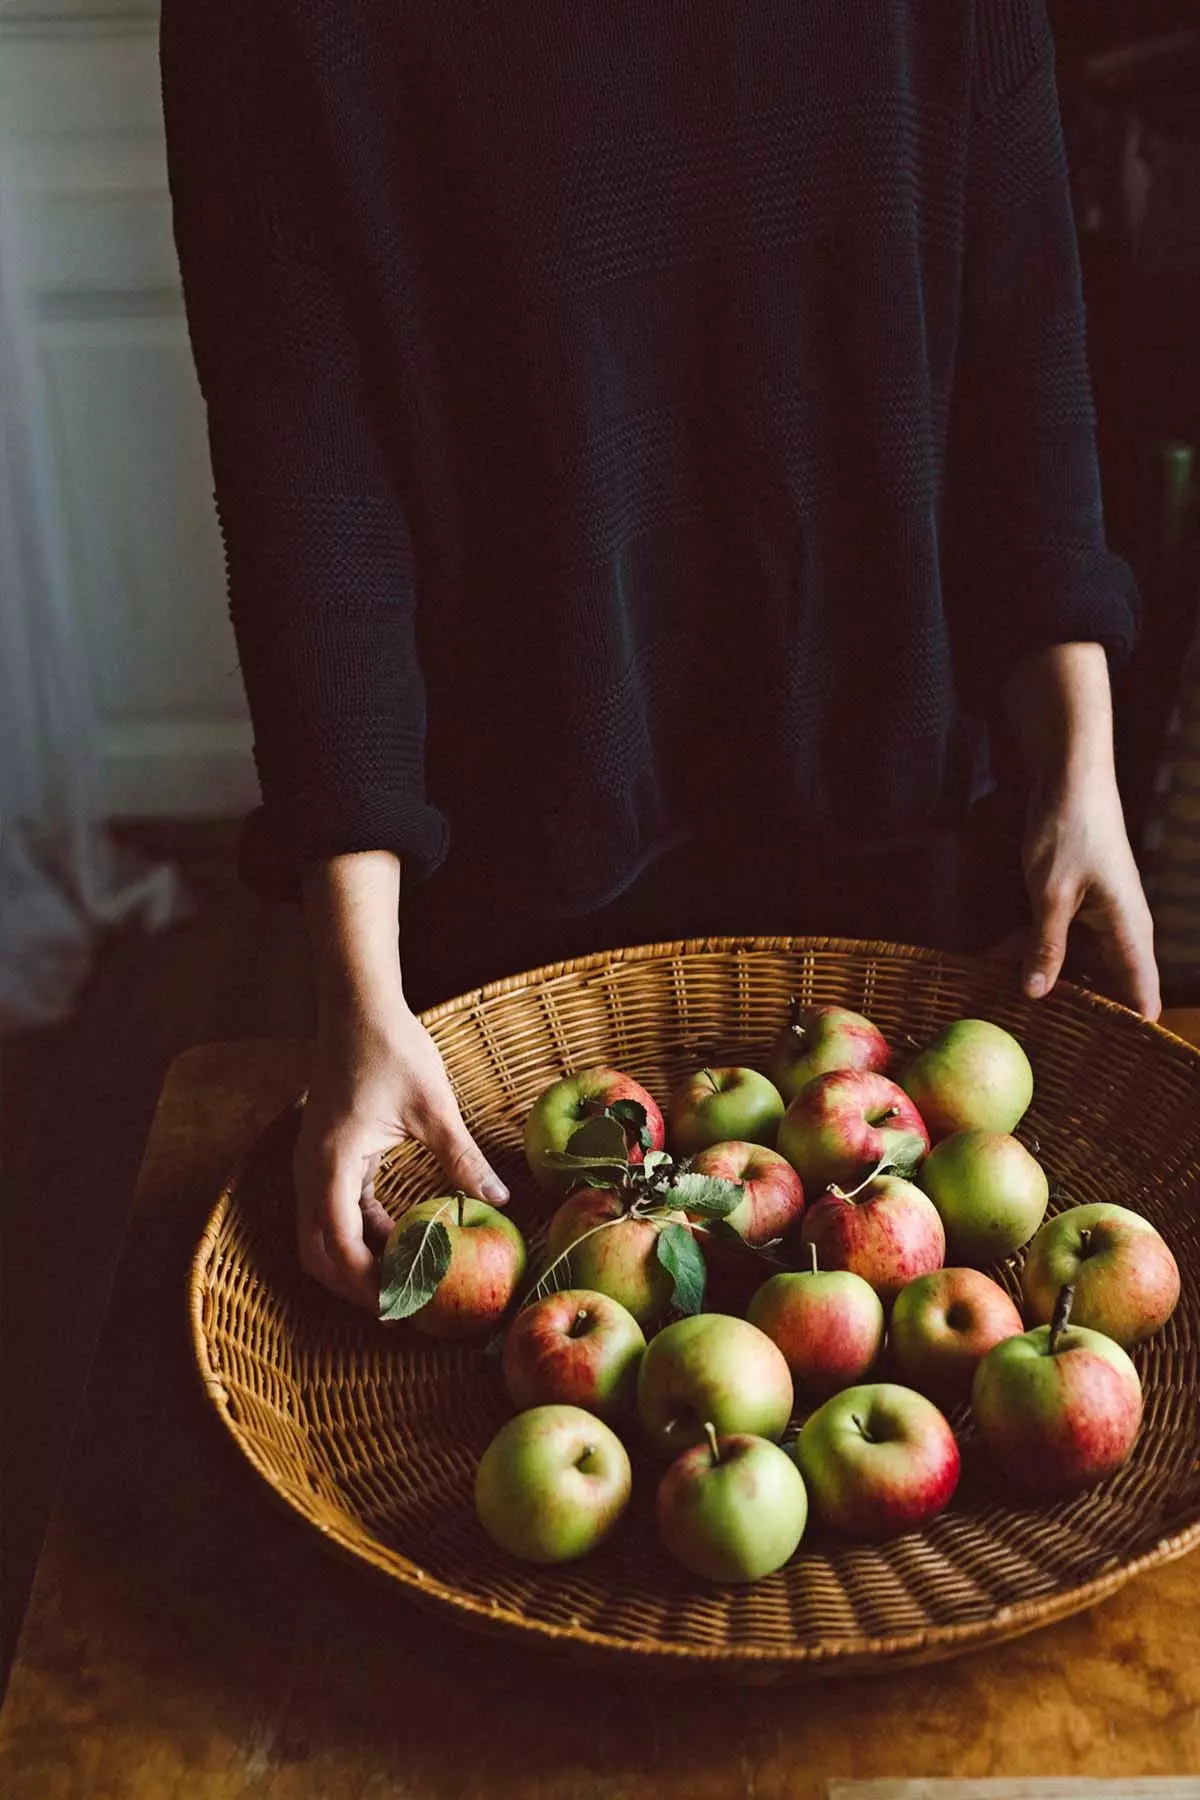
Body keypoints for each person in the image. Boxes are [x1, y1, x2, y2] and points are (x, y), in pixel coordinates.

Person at [161, 0, 1160, 1313]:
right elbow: (308, 475)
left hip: (910, 855)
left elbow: (1022, 326)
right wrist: (357, 982)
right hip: (503, 892)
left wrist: (1078, 767)